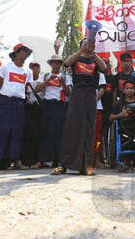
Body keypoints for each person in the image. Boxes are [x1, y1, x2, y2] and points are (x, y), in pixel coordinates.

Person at [53, 39, 106, 176]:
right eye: (87, 43)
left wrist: (93, 53)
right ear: (81, 45)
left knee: (88, 128)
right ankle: (64, 164)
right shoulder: (76, 58)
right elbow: (67, 63)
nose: (90, 46)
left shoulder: (95, 60)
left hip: (90, 95)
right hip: (77, 94)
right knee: (72, 127)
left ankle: (85, 165)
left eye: (92, 44)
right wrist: (81, 51)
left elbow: (104, 68)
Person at [0, 43, 33, 171]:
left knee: (17, 132)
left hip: (19, 103)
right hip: (6, 102)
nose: (26, 54)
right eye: (23, 51)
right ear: (16, 53)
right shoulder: (5, 67)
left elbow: (26, 87)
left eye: (27, 52)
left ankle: (16, 160)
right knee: (0, 131)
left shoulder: (27, 71)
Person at [36, 54, 69, 168]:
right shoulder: (45, 75)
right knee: (45, 131)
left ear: (60, 64)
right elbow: (37, 89)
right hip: (47, 104)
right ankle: (43, 160)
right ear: (51, 64)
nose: (56, 65)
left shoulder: (65, 76)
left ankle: (58, 160)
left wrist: (64, 83)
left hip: (60, 105)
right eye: (54, 62)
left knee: (59, 132)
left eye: (58, 62)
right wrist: (47, 82)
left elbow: (68, 93)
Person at [109, 80, 135, 170]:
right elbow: (110, 118)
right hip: (124, 128)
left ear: (134, 90)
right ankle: (124, 159)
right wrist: (121, 115)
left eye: (131, 88)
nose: (129, 90)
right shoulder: (119, 104)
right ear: (123, 90)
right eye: (127, 88)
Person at [21, 61, 42, 168]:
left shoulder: (42, 80)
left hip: (38, 110)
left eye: (37, 67)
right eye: (32, 67)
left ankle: (36, 160)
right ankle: (26, 161)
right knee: (27, 134)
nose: (34, 70)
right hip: (27, 109)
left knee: (37, 135)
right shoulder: (25, 81)